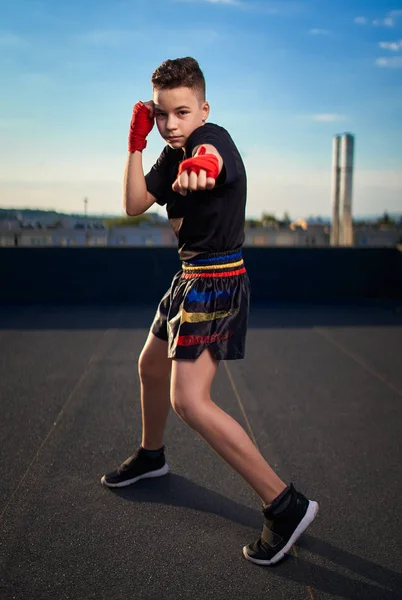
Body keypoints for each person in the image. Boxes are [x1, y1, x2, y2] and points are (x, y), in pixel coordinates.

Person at [101, 57, 318, 565]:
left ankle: (284, 505)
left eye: (181, 112)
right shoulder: (169, 152)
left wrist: (204, 168)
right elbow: (135, 202)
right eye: (160, 114)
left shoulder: (212, 139)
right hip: (188, 278)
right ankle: (152, 455)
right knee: (149, 366)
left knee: (191, 402)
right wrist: (135, 146)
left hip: (217, 281)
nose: (171, 124)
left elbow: (213, 157)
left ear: (203, 108)